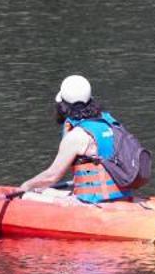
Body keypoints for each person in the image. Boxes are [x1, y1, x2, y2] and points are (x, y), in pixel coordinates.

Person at [16, 75, 140, 204]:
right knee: (41, 190)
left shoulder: (77, 135)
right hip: (123, 196)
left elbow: (51, 176)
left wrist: (25, 186)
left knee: (27, 196)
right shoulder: (110, 124)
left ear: (62, 105)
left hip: (95, 202)